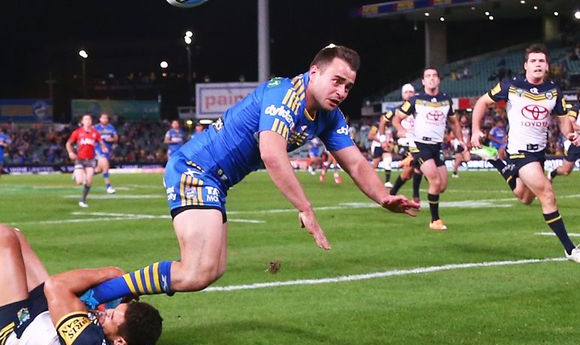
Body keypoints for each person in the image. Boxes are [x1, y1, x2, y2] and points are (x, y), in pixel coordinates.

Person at [82, 45, 419, 305]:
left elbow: (357, 163)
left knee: (211, 271)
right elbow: (272, 153)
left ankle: (111, 290)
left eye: (348, 86)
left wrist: (383, 197)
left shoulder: (329, 116)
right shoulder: (284, 94)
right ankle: (98, 295)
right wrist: (305, 207)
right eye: (337, 81)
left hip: (214, 180)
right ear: (313, 72)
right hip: (195, 170)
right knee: (198, 270)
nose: (342, 91)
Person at [470, 44, 580, 264]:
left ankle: (495, 161)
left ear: (547, 66)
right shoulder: (511, 85)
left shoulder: (553, 90)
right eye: (534, 61)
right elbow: (482, 101)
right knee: (547, 193)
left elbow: (563, 118)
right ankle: (570, 249)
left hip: (539, 153)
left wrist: (571, 134)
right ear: (526, 65)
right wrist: (475, 130)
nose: (538, 64)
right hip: (519, 152)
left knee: (525, 197)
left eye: (542, 61)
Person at [0, 225, 162, 345]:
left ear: (119, 342)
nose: (108, 311)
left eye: (111, 316)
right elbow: (144, 324)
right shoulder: (142, 343)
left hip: (21, 332)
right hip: (47, 318)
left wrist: (110, 272)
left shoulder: (85, 344)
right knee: (15, 234)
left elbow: (56, 285)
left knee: (4, 236)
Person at [393, 67, 464, 230]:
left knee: (442, 186)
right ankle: (435, 221)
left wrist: (461, 141)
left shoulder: (446, 100)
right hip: (420, 145)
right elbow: (397, 117)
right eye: (428, 76)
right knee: (435, 181)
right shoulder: (415, 100)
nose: (431, 79)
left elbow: (454, 122)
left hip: (436, 146)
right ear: (423, 81)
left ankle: (425, 172)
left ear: (439, 80)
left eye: (434, 76)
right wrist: (400, 129)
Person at [384, 83, 422, 203]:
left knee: (407, 174)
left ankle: (392, 193)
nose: (409, 94)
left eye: (411, 92)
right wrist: (383, 137)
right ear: (402, 95)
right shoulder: (397, 110)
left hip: (417, 141)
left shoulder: (419, 108)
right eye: (406, 92)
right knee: (417, 167)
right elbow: (383, 121)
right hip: (405, 143)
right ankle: (416, 197)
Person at [66, 115, 108, 208]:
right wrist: (70, 152)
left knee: (89, 181)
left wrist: (104, 147)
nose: (88, 121)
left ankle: (83, 200)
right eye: (86, 119)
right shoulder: (77, 132)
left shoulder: (95, 133)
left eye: (89, 119)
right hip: (80, 159)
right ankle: (76, 175)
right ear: (82, 122)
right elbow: (68, 143)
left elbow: (100, 141)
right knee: (79, 182)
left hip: (90, 160)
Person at [367, 111, 395, 188]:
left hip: (386, 147)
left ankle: (387, 181)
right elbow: (370, 136)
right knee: (375, 164)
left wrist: (391, 143)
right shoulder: (375, 126)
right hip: (377, 146)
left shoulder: (389, 127)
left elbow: (391, 137)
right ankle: (369, 180)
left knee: (388, 162)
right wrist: (382, 141)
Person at [94, 113, 118, 194]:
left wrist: (111, 139)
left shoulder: (111, 127)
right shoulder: (95, 127)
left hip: (108, 149)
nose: (104, 119)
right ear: (100, 119)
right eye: (102, 118)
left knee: (99, 169)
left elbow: (116, 138)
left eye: (105, 118)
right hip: (98, 149)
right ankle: (108, 186)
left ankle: (83, 175)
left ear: (107, 120)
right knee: (105, 166)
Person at [450, 114, 471, 178]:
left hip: (465, 144)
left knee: (467, 158)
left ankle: (456, 164)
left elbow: (468, 136)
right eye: (463, 117)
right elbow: (452, 135)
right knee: (459, 158)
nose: (464, 119)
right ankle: (455, 172)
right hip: (458, 143)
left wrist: (468, 143)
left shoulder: (467, 127)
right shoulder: (457, 126)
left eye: (465, 118)